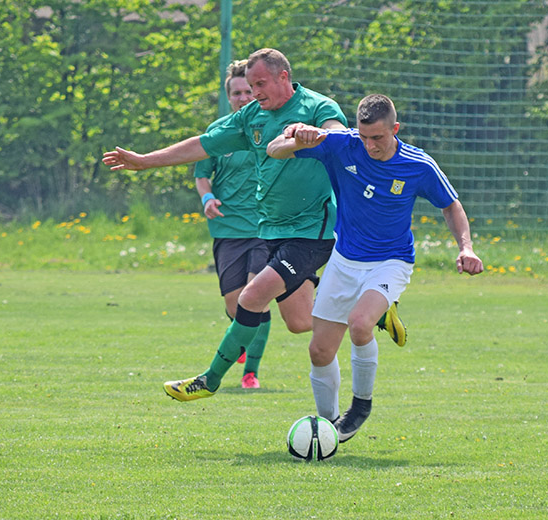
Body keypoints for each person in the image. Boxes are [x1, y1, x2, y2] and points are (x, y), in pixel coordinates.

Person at [104, 49, 405, 403]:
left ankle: (210, 379)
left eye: (260, 84)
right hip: (271, 230)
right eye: (249, 85)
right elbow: (203, 145)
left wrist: (315, 134)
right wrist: (144, 161)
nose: (255, 92)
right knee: (298, 321)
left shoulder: (317, 106)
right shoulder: (251, 117)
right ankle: (375, 309)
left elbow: (337, 131)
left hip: (312, 230)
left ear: (283, 77)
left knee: (251, 298)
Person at [266, 93, 483, 443]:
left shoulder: (418, 164)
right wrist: (294, 137)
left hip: (390, 262)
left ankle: (361, 406)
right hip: (344, 261)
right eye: (364, 137)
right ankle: (329, 427)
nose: (370, 146)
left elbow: (451, 205)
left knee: (360, 324)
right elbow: (273, 150)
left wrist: (466, 247)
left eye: (378, 138)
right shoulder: (340, 145)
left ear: (395, 129)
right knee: (319, 351)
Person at [194, 59, 270, 389]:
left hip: (265, 227)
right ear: (230, 97)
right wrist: (207, 199)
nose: (243, 97)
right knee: (234, 303)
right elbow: (201, 175)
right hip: (227, 229)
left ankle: (250, 371)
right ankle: (240, 333)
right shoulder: (218, 132)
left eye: (248, 91)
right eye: (237, 93)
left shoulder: (270, 128)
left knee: (257, 295)